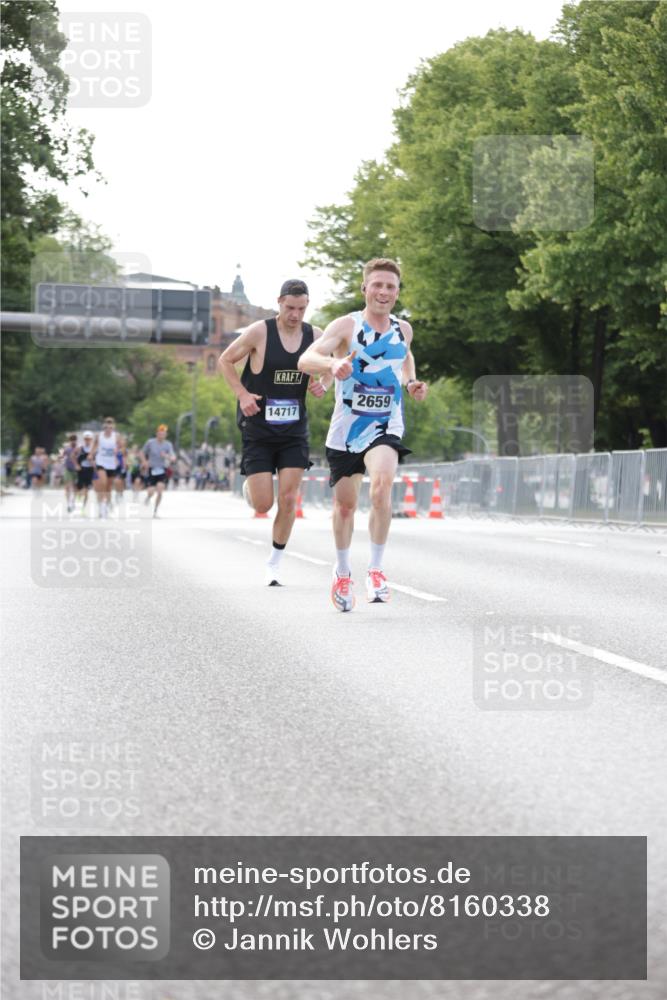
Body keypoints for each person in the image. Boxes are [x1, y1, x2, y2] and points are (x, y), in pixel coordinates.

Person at [297, 258, 428, 611]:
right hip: (346, 430)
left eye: (391, 286)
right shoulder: (346, 326)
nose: (384, 292)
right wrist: (332, 365)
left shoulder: (404, 329)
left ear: (397, 292)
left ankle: (376, 568)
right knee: (345, 506)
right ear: (365, 289)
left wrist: (411, 383)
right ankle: (342, 573)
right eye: (378, 285)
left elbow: (404, 358)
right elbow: (306, 359)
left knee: (383, 484)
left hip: (386, 424)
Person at [217, 279, 331, 586]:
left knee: (289, 497)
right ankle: (253, 492)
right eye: (290, 308)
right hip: (258, 428)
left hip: (294, 430)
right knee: (264, 505)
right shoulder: (259, 332)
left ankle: (274, 562)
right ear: (279, 302)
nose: (296, 315)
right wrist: (242, 394)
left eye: (302, 309)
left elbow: (332, 365)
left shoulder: (315, 336)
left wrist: (323, 383)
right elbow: (225, 360)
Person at [92, 417, 124, 518]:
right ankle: (102, 506)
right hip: (100, 461)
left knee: (108, 487)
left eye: (111, 425)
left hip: (111, 463)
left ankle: (105, 505)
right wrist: (90, 454)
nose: (109, 427)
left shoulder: (117, 436)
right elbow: (94, 446)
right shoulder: (99, 436)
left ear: (113, 427)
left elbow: (122, 447)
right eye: (107, 425)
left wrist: (118, 450)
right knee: (103, 482)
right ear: (104, 426)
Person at [141, 424, 175, 517]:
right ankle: (148, 497)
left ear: (166, 435)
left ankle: (155, 511)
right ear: (157, 434)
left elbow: (173, 458)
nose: (162, 435)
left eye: (164, 433)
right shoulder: (150, 442)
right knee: (151, 491)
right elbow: (142, 453)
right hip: (151, 469)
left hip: (162, 470)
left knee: (160, 490)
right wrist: (144, 462)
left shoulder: (168, 444)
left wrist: (166, 456)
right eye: (160, 433)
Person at [75, 431, 95, 510]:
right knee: (79, 488)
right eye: (86, 439)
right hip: (81, 470)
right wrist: (76, 465)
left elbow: (96, 460)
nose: (87, 440)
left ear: (91, 439)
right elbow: (73, 457)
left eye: (89, 439)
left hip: (90, 470)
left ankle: (83, 507)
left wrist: (92, 462)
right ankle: (77, 502)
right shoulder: (80, 447)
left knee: (86, 489)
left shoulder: (93, 448)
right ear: (84, 439)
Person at [61, 434, 79, 512]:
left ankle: (73, 501)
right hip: (68, 468)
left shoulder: (79, 448)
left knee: (75, 487)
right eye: (71, 439)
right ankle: (68, 503)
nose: (73, 441)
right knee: (68, 486)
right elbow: (62, 456)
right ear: (69, 440)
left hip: (76, 470)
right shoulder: (67, 448)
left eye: (74, 439)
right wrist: (61, 456)